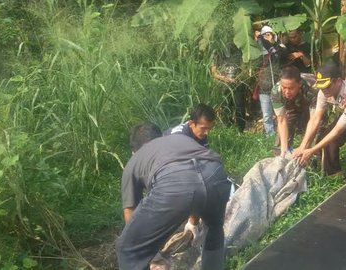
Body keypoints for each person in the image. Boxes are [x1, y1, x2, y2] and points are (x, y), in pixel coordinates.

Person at [117, 122, 231, 270]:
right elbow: (198, 181)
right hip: (216, 175)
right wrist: (194, 223)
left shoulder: (135, 159)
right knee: (214, 229)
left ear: (134, 149)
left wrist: (149, 252)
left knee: (127, 249)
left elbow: (130, 211)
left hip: (174, 184)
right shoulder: (180, 138)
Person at [292, 62, 346, 179]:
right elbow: (315, 118)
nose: (324, 90)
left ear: (338, 81)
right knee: (325, 138)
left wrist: (313, 150)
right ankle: (334, 174)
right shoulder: (324, 91)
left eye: (327, 86)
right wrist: (303, 146)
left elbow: (337, 131)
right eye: (321, 86)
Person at [271, 66, 317, 157]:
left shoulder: (313, 89)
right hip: (291, 105)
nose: (287, 91)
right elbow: (282, 120)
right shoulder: (276, 91)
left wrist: (303, 147)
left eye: (291, 88)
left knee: (317, 132)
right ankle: (281, 157)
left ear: (299, 84)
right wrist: (284, 150)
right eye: (284, 87)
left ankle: (314, 160)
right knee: (285, 127)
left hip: (311, 104)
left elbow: (314, 120)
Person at [255, 25, 287, 135]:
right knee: (267, 115)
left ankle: (282, 133)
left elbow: (283, 55)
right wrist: (258, 39)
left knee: (280, 112)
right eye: (265, 35)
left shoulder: (279, 47)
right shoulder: (258, 51)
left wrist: (272, 43)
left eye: (269, 34)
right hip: (264, 87)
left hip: (277, 86)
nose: (267, 37)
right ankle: (270, 135)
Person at [211, 45, 247, 132]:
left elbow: (244, 69)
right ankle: (227, 128)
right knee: (226, 107)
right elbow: (214, 72)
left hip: (237, 85)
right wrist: (225, 78)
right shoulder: (218, 54)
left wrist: (237, 78)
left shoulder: (238, 52)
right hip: (224, 86)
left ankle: (240, 129)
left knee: (239, 107)